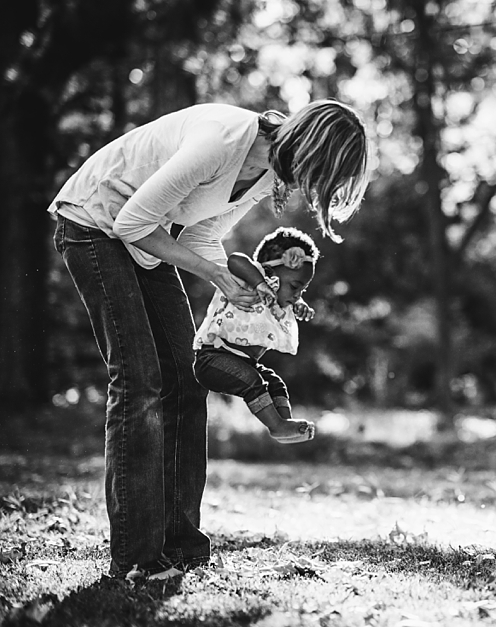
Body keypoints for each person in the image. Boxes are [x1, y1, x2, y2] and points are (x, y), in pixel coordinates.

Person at [49, 100, 370, 582]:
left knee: (187, 376)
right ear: (308, 148)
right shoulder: (221, 141)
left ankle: (180, 542)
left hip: (146, 237)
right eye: (320, 175)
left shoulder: (265, 175)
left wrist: (245, 283)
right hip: (95, 223)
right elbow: (130, 223)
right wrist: (213, 275)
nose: (310, 188)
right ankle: (136, 556)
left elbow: (201, 235)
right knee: (140, 382)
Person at [193, 227, 319, 444]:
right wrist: (260, 282)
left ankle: (284, 425)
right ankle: (276, 425)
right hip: (212, 358)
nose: (297, 295)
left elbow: (291, 298)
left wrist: (299, 305)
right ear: (268, 272)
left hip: (246, 362)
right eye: (295, 286)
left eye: (303, 290)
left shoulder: (281, 302)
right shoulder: (247, 280)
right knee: (253, 381)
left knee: (275, 383)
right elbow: (235, 259)